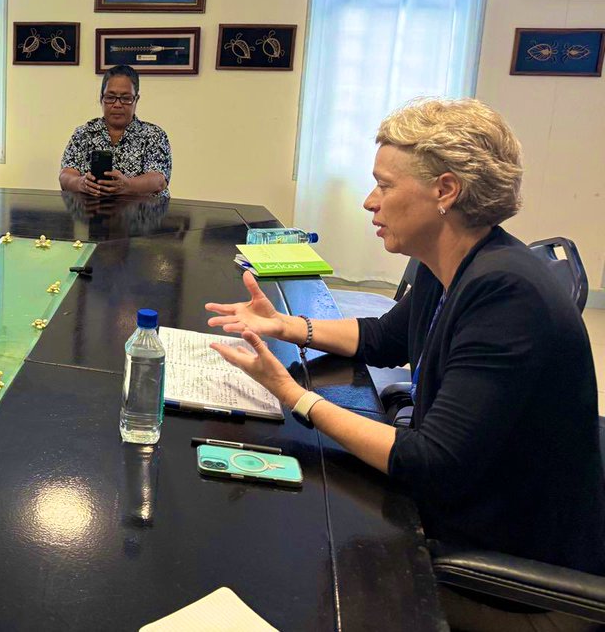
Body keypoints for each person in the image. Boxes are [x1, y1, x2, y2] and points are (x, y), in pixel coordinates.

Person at [205, 98, 605, 630]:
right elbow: (382, 338)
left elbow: (428, 461)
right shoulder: (458, 264)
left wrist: (295, 396)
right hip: (473, 518)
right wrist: (286, 325)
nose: (370, 202)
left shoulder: (507, 295)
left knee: (296, 580)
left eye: (385, 185)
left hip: (514, 579)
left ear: (445, 191)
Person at [59, 65, 171, 197]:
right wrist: (81, 183)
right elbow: (65, 176)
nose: (117, 104)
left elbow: (159, 180)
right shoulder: (84, 134)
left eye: (126, 98)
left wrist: (128, 186)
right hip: (91, 214)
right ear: (101, 98)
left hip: (142, 215)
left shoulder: (154, 135)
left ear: (136, 100)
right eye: (110, 97)